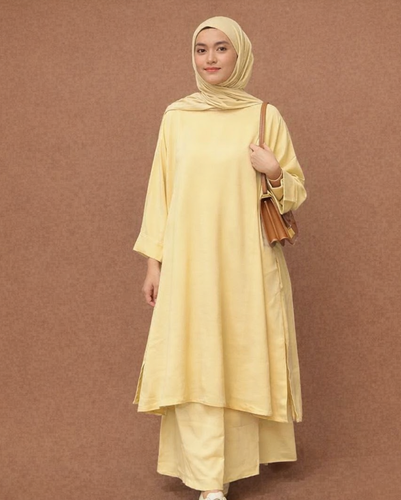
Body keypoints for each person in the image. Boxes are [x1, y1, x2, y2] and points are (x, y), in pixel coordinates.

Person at [133, 16, 307, 500]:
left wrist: (274, 171)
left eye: (221, 48)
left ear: (240, 55)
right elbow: (160, 193)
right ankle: (209, 479)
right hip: (190, 263)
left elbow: (293, 194)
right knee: (196, 356)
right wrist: (153, 264)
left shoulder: (263, 116)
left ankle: (229, 467)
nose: (210, 58)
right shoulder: (176, 117)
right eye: (201, 49)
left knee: (239, 354)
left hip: (247, 262)